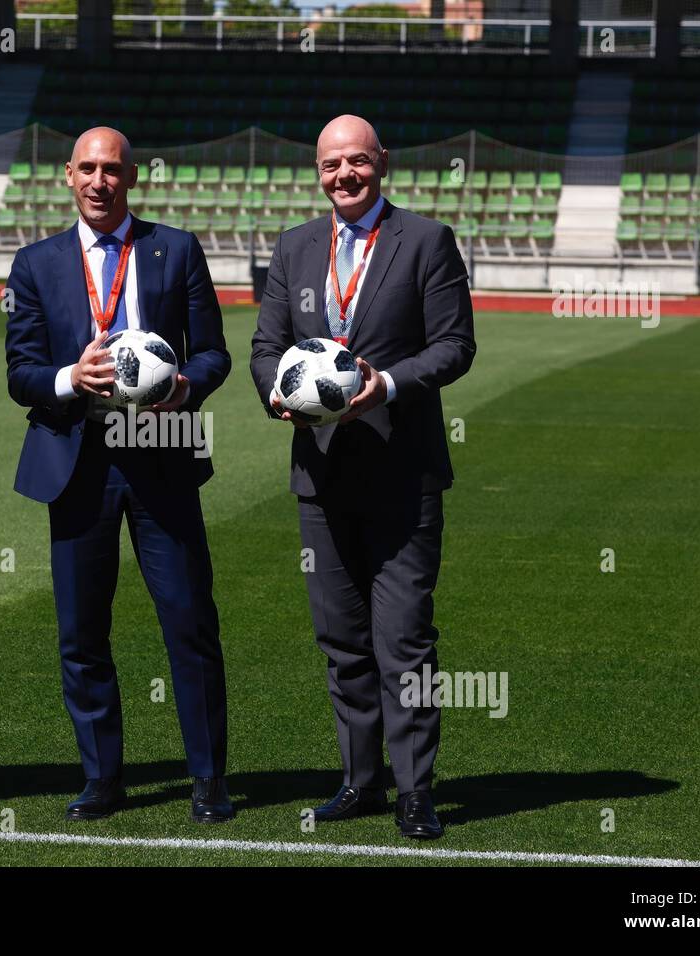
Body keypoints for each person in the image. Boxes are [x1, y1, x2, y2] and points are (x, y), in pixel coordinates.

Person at [249, 114, 475, 839]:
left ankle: (416, 790)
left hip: (403, 475)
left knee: (403, 639)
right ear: (317, 171)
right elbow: (266, 348)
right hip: (321, 476)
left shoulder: (427, 241)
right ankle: (360, 782)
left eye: (357, 162)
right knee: (341, 640)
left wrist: (390, 385)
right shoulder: (295, 246)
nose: (344, 175)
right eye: (330, 165)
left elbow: (455, 346)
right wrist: (277, 391)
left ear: (382, 163)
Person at [4, 127, 234, 823]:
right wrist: (69, 377)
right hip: (76, 465)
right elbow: (20, 373)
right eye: (88, 169)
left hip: (161, 451)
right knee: (82, 633)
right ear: (67, 177)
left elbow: (216, 353)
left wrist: (186, 386)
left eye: (113, 169)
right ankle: (103, 779)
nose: (100, 181)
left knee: (189, 623)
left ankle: (208, 780)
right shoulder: (35, 263)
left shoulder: (176, 249)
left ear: (132, 177)